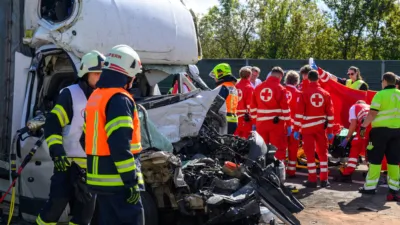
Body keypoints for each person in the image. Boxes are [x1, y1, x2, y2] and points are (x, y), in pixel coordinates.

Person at [36, 50, 105, 225]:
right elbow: (53, 123)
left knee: (84, 216)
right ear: (85, 73)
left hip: (91, 166)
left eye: (103, 74)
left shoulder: (105, 97)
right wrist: (57, 151)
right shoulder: (70, 94)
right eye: (96, 73)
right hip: (66, 163)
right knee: (54, 208)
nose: (100, 77)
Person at [84, 44, 145, 224]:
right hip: (118, 181)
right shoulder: (119, 99)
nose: (134, 79)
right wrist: (131, 181)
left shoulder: (96, 96)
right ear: (126, 73)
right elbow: (119, 145)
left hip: (100, 180)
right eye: (134, 75)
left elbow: (85, 138)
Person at [358, 72, 400, 201]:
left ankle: (370, 187)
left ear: (385, 81)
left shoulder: (380, 94)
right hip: (397, 132)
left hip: (380, 132)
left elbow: (372, 114)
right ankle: (394, 188)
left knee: (375, 159)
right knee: (393, 161)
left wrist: (364, 126)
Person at [293, 70, 335, 188]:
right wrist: (330, 131)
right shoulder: (325, 94)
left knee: (309, 154)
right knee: (323, 153)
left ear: (308, 79)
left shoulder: (303, 93)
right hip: (321, 128)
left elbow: (299, 114)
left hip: (307, 129)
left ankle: (312, 180)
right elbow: (331, 114)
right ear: (318, 79)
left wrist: (296, 129)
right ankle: (324, 179)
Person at [251, 66, 291, 161]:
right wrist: (288, 124)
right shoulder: (280, 89)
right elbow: (285, 109)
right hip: (276, 125)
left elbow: (252, 108)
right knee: (278, 149)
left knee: (261, 149)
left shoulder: (258, 88)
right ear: (280, 76)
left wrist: (254, 123)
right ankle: (278, 173)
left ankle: (261, 173)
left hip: (261, 124)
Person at [335, 100, 370, 182]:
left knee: (355, 148)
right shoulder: (369, 106)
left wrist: (348, 138)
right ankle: (371, 173)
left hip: (364, 128)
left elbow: (353, 124)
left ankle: (347, 174)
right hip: (375, 129)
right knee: (370, 151)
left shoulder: (354, 107)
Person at [212, 63, 239, 134]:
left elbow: (215, 105)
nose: (214, 78)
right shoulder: (233, 87)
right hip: (234, 120)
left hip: (224, 121)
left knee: (222, 143)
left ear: (220, 74)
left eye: (215, 75)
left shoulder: (222, 87)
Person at [284, 70, 301, 177]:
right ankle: (291, 171)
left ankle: (280, 170)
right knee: (293, 149)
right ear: (296, 82)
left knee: (280, 148)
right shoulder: (299, 94)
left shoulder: (281, 90)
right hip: (295, 126)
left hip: (282, 124)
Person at [234, 67, 254, 138]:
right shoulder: (249, 87)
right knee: (245, 138)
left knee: (236, 137)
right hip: (245, 117)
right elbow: (250, 104)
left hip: (235, 115)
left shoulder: (235, 86)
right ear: (250, 76)